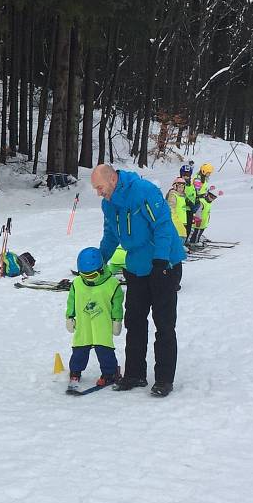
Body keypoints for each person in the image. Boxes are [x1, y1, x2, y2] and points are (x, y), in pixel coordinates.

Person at [91, 164, 186, 397]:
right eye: (96, 189)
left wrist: (161, 260)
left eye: (100, 187)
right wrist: (99, 261)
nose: (98, 193)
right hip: (136, 266)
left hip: (163, 264)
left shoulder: (144, 191)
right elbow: (111, 235)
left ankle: (164, 379)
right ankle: (135, 374)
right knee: (134, 321)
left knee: (163, 323)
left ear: (113, 179)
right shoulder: (108, 205)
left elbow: (163, 224)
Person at [65, 248, 123, 393]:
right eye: (85, 275)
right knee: (79, 349)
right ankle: (75, 371)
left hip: (102, 324)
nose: (88, 278)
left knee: (104, 350)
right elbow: (71, 301)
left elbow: (117, 304)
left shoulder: (112, 284)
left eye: (93, 275)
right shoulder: (77, 284)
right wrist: (69, 317)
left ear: (101, 269)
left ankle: (110, 373)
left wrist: (117, 320)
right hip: (84, 324)